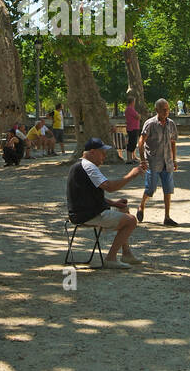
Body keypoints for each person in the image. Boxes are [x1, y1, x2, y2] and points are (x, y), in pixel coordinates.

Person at [67, 137, 145, 269]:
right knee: (131, 221)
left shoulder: (81, 165)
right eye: (102, 152)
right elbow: (109, 186)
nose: (104, 155)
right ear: (92, 152)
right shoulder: (89, 167)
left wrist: (114, 203)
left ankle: (126, 254)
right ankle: (111, 258)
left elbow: (89, 195)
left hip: (84, 211)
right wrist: (131, 175)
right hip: (87, 215)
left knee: (124, 209)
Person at [137, 98, 180, 226]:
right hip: (153, 161)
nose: (166, 112)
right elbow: (141, 142)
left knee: (168, 189)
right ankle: (141, 205)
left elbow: (173, 142)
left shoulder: (171, 124)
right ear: (157, 110)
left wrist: (174, 159)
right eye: (164, 109)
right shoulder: (150, 124)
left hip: (167, 162)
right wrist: (142, 160)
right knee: (150, 189)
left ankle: (167, 216)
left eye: (168, 109)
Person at [124, 95, 142, 161]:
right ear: (132, 102)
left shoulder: (130, 109)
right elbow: (138, 116)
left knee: (133, 143)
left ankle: (132, 157)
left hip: (133, 127)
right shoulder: (130, 109)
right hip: (132, 128)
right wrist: (139, 115)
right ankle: (129, 159)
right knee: (132, 143)